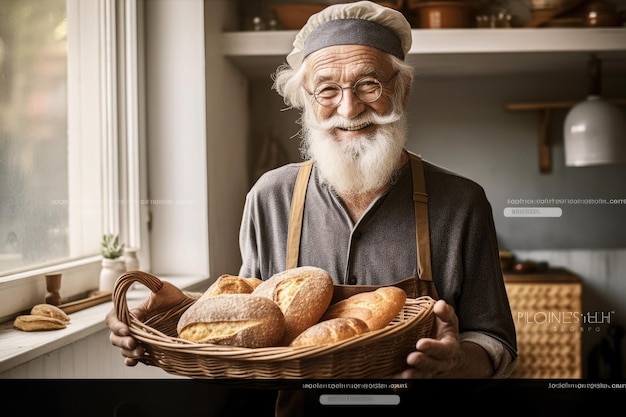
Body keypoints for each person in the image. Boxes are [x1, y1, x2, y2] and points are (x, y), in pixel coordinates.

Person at [107, 0, 516, 392]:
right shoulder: (270, 198)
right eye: (327, 90)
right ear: (307, 102)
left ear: (403, 91)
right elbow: (255, 317)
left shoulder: (463, 203)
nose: (349, 108)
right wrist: (182, 307)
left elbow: (496, 343)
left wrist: (456, 362)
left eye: (368, 84)